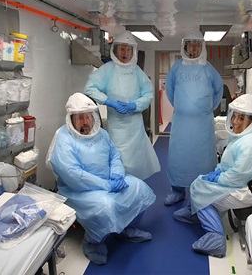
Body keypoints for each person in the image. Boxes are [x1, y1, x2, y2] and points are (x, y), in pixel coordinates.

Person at [47, 93, 156, 265]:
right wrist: (106, 184)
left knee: (139, 188)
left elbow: (114, 156)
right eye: (80, 118)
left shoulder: (101, 134)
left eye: (88, 117)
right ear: (71, 119)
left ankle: (126, 228)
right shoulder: (64, 138)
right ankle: (93, 242)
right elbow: (74, 175)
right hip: (80, 190)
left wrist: (118, 174)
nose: (85, 122)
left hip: (109, 181)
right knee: (105, 206)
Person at [173, 94, 252, 257]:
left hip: (248, 190)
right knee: (199, 183)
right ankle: (195, 213)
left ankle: (216, 239)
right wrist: (217, 172)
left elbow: (237, 177)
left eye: (241, 118)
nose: (236, 122)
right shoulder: (247, 135)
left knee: (201, 191)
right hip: (241, 183)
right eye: (235, 117)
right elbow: (232, 166)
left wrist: (218, 178)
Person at [84, 30, 160, 181]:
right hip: (116, 126)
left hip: (135, 126)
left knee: (136, 158)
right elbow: (90, 88)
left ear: (133, 51)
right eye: (122, 49)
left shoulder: (137, 71)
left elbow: (149, 93)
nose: (124, 53)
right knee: (118, 157)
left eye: (128, 49)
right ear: (116, 50)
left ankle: (135, 189)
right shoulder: (108, 70)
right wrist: (109, 102)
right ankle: (119, 183)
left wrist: (134, 105)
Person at [164, 29, 223, 206]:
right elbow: (170, 90)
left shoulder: (209, 69)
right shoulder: (177, 68)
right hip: (181, 124)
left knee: (202, 159)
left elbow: (218, 92)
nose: (194, 49)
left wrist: (203, 110)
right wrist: (183, 108)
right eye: (191, 45)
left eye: (197, 45)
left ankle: (202, 192)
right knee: (178, 157)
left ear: (202, 47)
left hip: (202, 125)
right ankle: (178, 191)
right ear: (186, 47)